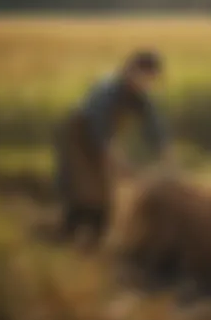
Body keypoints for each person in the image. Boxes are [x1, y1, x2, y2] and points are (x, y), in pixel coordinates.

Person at [55, 50, 171, 244]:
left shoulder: (140, 96)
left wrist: (167, 155)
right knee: (82, 189)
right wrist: (115, 158)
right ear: (133, 71)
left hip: (101, 141)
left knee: (105, 194)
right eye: (147, 77)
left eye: (153, 80)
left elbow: (154, 127)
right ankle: (68, 235)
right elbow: (98, 127)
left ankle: (91, 241)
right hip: (78, 137)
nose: (149, 84)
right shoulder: (108, 89)